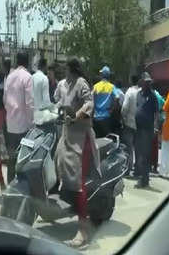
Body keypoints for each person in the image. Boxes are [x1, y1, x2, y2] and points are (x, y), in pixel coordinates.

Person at [54, 58, 101, 249]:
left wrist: (77, 115)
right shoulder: (63, 84)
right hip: (66, 134)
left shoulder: (81, 83)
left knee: (78, 181)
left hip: (80, 137)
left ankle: (83, 231)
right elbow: (57, 100)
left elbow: (89, 103)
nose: (64, 71)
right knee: (57, 163)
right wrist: (53, 110)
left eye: (67, 68)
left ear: (73, 69)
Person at [3, 52, 33, 182]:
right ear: (27, 62)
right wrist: (33, 124)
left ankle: (10, 186)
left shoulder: (9, 77)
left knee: (12, 158)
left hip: (10, 125)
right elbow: (30, 104)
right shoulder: (27, 77)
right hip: (24, 127)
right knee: (24, 159)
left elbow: (5, 101)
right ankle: (21, 189)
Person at [134, 72, 159, 188]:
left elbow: (156, 113)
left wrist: (155, 127)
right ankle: (141, 176)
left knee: (145, 155)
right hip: (138, 128)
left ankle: (144, 179)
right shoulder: (138, 94)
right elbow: (137, 107)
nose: (147, 84)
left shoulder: (153, 96)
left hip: (147, 129)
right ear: (142, 82)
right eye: (146, 82)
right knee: (139, 154)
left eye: (149, 82)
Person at [121, 75, 140, 176]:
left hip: (129, 123)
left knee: (129, 148)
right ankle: (138, 169)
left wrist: (123, 118)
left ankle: (128, 169)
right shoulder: (142, 92)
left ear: (131, 81)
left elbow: (124, 108)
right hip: (140, 124)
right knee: (138, 148)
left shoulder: (129, 92)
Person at [92, 66, 118, 138]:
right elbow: (117, 98)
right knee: (107, 140)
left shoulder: (96, 86)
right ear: (109, 76)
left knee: (97, 141)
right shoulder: (111, 87)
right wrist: (112, 109)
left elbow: (91, 100)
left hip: (96, 117)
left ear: (101, 75)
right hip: (106, 117)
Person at [32, 58, 56, 124]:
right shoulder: (44, 78)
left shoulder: (32, 77)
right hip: (42, 116)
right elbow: (46, 101)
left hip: (34, 114)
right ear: (44, 66)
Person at [151, 88, 165, 174]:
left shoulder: (151, 94)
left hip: (152, 119)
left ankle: (150, 164)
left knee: (150, 144)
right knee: (155, 144)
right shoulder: (158, 94)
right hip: (158, 118)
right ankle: (155, 166)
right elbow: (163, 104)